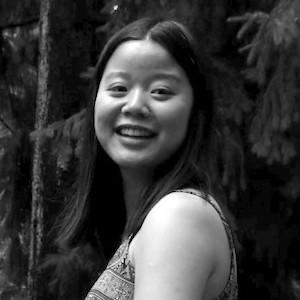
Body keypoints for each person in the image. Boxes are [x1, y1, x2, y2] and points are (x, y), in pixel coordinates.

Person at [56, 17, 238, 300]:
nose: (135, 105)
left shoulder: (179, 216)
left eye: (160, 91)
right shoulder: (147, 224)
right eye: (118, 88)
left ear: (195, 111)